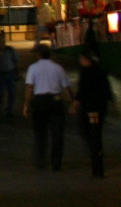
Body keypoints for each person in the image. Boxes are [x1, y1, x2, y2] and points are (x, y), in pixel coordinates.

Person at [23, 44, 73, 170]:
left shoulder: (33, 68)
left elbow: (29, 88)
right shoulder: (58, 68)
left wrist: (26, 105)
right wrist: (71, 103)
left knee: (40, 133)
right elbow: (66, 88)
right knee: (57, 134)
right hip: (56, 101)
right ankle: (56, 163)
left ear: (39, 55)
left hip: (39, 101)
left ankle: (40, 160)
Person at [70, 47, 113, 175]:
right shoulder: (101, 71)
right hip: (101, 107)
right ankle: (97, 156)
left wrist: (74, 106)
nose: (80, 60)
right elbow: (107, 91)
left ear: (88, 60)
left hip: (91, 109)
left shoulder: (85, 73)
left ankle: (97, 166)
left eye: (82, 58)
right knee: (96, 133)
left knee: (92, 135)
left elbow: (82, 92)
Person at [0, 31, 19, 116]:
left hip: (10, 73)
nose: (1, 39)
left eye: (2, 37)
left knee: (12, 93)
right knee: (0, 93)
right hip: (0, 74)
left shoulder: (10, 49)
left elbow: (16, 61)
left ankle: (9, 111)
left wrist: (17, 71)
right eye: (0, 38)